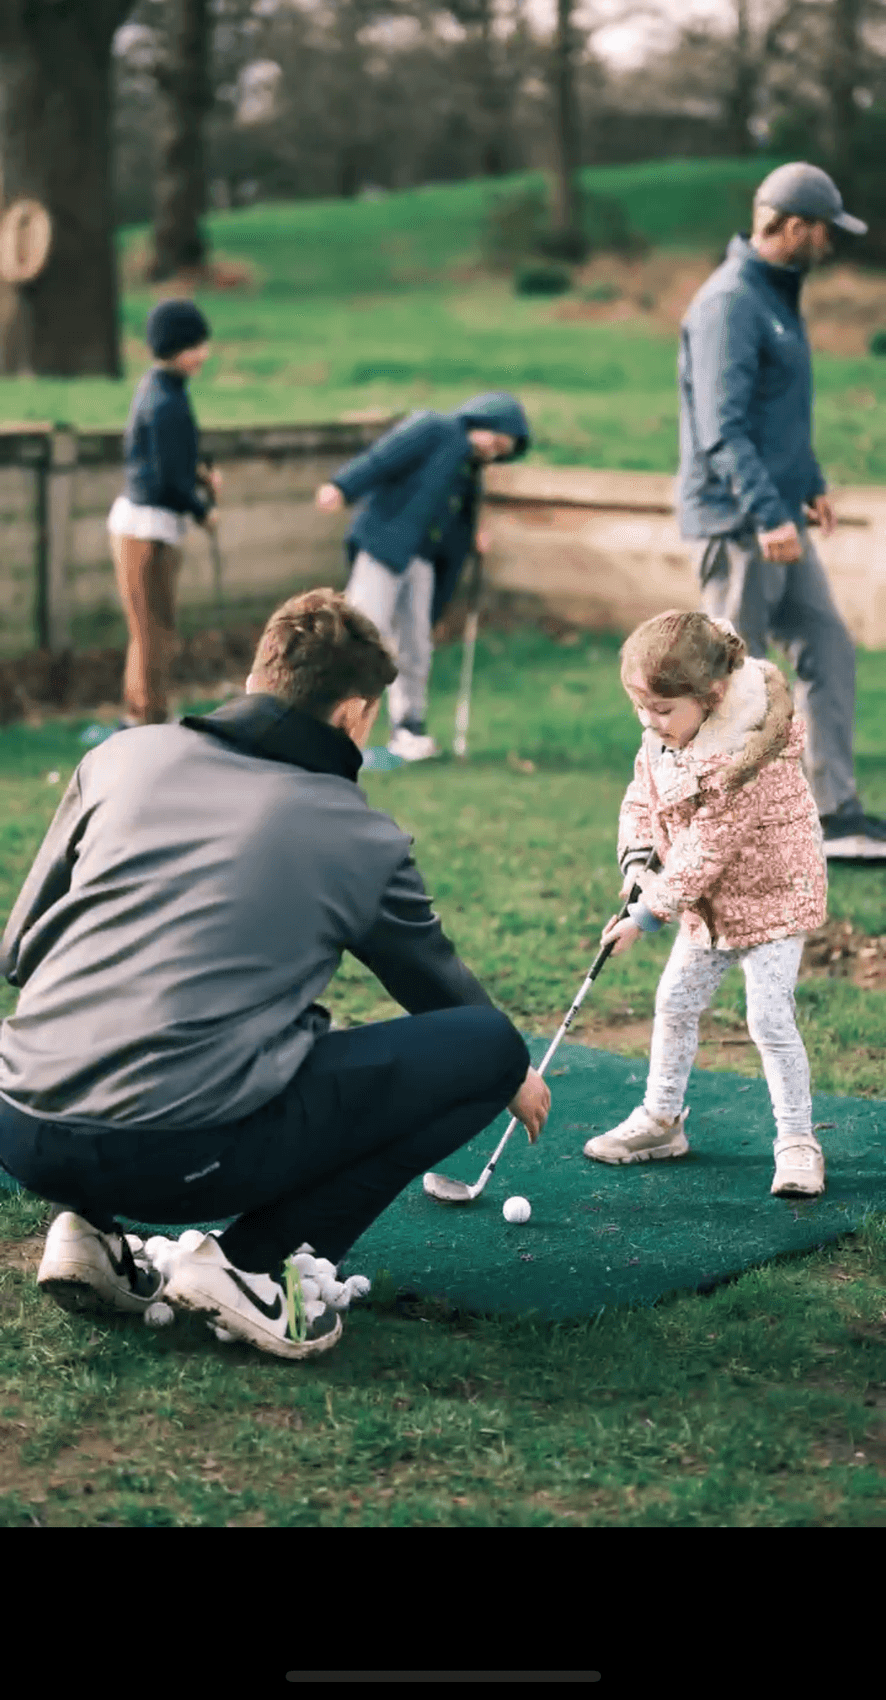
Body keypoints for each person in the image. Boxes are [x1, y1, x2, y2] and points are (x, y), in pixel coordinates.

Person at [0, 589, 549, 1361]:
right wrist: (514, 1068)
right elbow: (437, 988)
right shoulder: (359, 834)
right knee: (488, 1046)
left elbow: (19, 952)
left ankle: (91, 1234)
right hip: (178, 1153)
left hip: (22, 1126)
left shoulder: (117, 757)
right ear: (355, 715)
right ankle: (254, 1265)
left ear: (260, 673)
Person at [677, 160, 886, 861]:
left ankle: (836, 814)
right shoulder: (730, 302)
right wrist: (768, 513)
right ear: (793, 226)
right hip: (739, 523)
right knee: (735, 681)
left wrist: (810, 481)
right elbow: (722, 428)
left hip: (775, 515)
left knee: (826, 645)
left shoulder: (774, 296)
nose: (829, 245)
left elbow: (776, 417)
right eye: (824, 231)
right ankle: (725, 831)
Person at [583, 609, 828, 1199]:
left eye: (663, 709)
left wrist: (647, 913)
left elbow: (708, 849)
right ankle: (661, 1122)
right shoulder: (662, 739)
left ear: (713, 695)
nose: (649, 721)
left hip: (774, 898)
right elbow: (641, 801)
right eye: (642, 707)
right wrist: (639, 863)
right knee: (673, 1002)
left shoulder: (751, 759)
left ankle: (798, 1140)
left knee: (768, 1018)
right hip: (709, 906)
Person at [315, 391, 531, 759]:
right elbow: (382, 459)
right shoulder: (434, 429)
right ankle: (330, 723)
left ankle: (409, 726)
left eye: (502, 450)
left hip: (422, 560)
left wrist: (472, 534)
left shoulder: (470, 467)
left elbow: (458, 511)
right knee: (362, 632)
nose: (494, 452)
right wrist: (342, 486)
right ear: (482, 422)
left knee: (415, 642)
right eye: (496, 442)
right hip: (384, 548)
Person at [107, 299, 221, 726]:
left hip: (150, 524)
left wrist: (200, 476)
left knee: (149, 628)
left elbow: (173, 460)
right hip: (147, 528)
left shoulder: (164, 389)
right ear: (175, 347)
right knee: (154, 631)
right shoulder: (166, 401)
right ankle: (149, 719)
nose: (204, 354)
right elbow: (168, 479)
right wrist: (202, 511)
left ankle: (139, 715)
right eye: (196, 345)